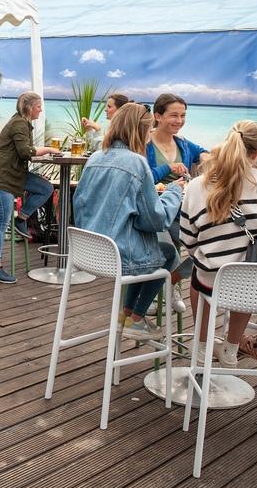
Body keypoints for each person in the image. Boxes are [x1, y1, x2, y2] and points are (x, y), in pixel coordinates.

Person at [180, 120, 257, 367]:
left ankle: (201, 349)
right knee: (247, 269)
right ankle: (231, 349)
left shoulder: (197, 185)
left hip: (215, 282)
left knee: (203, 270)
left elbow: (188, 241)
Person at [74, 103, 184, 339]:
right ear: (140, 130)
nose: (150, 136)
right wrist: (175, 191)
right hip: (118, 255)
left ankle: (126, 314)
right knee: (170, 254)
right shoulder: (136, 162)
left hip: (89, 251)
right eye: (149, 130)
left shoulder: (95, 157)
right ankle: (135, 319)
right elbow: (156, 221)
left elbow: (81, 203)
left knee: (152, 251)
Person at [146, 92, 210, 316]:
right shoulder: (145, 143)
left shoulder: (183, 144)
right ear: (157, 116)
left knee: (206, 249)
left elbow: (203, 153)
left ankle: (170, 283)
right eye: (173, 115)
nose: (179, 121)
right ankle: (152, 291)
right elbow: (141, 178)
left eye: (183, 115)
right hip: (155, 210)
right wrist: (168, 169)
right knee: (170, 250)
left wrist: (204, 158)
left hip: (182, 210)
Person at [0, 91, 56, 284]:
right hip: (2, 178)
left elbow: (24, 152)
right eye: (39, 106)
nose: (41, 110)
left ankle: (22, 218)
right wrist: (49, 149)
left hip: (15, 175)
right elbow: (25, 152)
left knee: (45, 188)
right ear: (29, 107)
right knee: (0, 223)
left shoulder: (22, 123)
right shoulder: (19, 124)